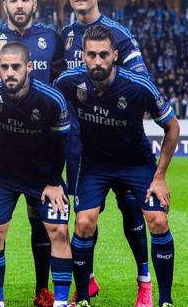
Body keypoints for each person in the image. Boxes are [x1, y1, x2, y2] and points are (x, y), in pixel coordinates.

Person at [54, 25, 179, 307]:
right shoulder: (68, 82)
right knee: (84, 223)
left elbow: (172, 127)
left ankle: (166, 300)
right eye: (91, 55)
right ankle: (84, 297)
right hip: (95, 164)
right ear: (83, 56)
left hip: (136, 163)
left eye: (103, 55)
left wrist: (160, 178)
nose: (97, 61)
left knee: (158, 220)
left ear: (115, 55)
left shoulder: (138, 86)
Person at [62, 0, 152, 305]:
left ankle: (144, 282)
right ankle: (88, 281)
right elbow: (62, 85)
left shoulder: (119, 34)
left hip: (124, 146)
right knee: (85, 218)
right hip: (83, 147)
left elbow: (142, 84)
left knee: (132, 214)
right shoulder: (68, 35)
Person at [0, 0, 65, 307]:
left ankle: (43, 288)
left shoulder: (51, 38)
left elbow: (64, 80)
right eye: (13, 0)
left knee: (40, 219)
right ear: (4, 5)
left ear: (34, 4)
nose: (19, 5)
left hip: (41, 148)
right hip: (2, 143)